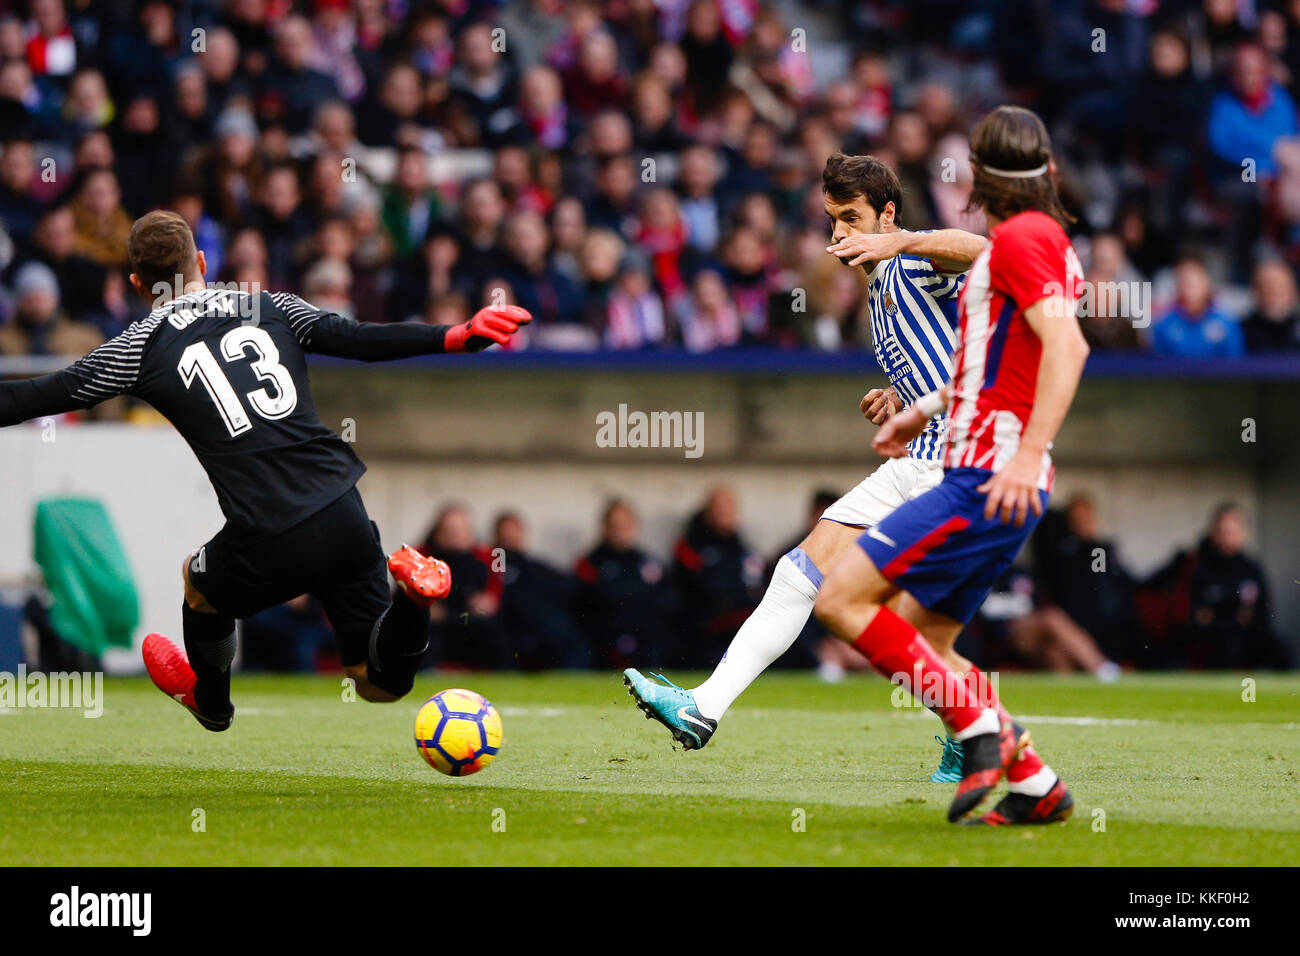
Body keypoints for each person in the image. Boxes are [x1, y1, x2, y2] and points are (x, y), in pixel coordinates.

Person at [0, 210, 532, 729]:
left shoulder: (137, 345)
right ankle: (414, 602)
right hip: (341, 505)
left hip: (270, 530)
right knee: (378, 680)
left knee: (198, 583)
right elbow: (357, 339)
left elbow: (46, 393)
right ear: (203, 262)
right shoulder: (266, 303)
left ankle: (211, 702)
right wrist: (456, 334)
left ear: (138, 283)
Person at [625, 150, 986, 784]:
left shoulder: (912, 259)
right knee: (803, 574)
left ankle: (974, 726)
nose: (839, 233)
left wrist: (905, 241)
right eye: (832, 220)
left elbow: (985, 251)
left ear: (888, 214)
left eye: (852, 218)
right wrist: (902, 394)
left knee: (886, 613)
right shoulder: (876, 295)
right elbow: (948, 359)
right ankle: (703, 709)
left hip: (956, 465)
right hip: (920, 458)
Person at [809, 106, 1088, 826]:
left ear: (980, 178)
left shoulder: (1019, 240)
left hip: (985, 471)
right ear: (1048, 172)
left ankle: (979, 735)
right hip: (985, 459)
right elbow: (1003, 361)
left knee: (840, 599)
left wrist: (1025, 453)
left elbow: (1068, 349)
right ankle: (1036, 783)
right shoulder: (1044, 240)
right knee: (926, 642)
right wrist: (921, 407)